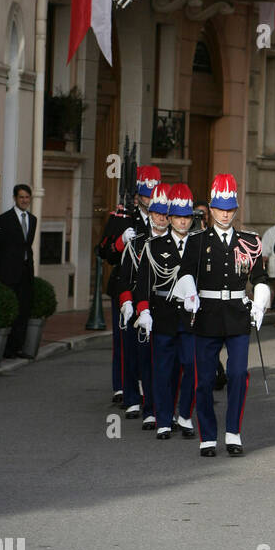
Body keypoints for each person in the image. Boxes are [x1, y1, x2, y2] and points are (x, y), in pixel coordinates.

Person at [175, 173, 270, 457]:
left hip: (238, 315)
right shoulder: (197, 241)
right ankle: (207, 435)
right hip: (207, 315)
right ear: (212, 210)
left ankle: (233, 432)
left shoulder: (249, 241)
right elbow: (184, 274)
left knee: (238, 374)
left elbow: (261, 276)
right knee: (204, 379)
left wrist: (260, 301)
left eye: (230, 209)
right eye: (220, 208)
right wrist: (190, 293)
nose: (225, 214)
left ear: (235, 210)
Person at [132, 184, 198, 440]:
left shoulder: (199, 245)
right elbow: (144, 284)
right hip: (164, 315)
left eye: (187, 217)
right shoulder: (155, 246)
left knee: (192, 367)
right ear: (169, 218)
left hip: (191, 317)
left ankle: (184, 414)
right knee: (163, 369)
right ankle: (163, 418)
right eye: (178, 217)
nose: (183, 222)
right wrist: (143, 310)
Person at [116, 167, 159, 428]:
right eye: (146, 196)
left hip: (153, 297)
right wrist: (122, 241)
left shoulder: (162, 225)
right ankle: (132, 396)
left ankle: (152, 400)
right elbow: (109, 251)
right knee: (131, 350)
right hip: (131, 290)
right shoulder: (125, 218)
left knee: (151, 354)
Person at [0, 184, 36, 358]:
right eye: (21, 197)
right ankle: (7, 349)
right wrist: (3, 268)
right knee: (11, 311)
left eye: (27, 197)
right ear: (15, 198)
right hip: (8, 273)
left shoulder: (33, 219)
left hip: (26, 272)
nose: (24, 200)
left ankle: (19, 347)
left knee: (24, 310)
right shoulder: (4, 219)